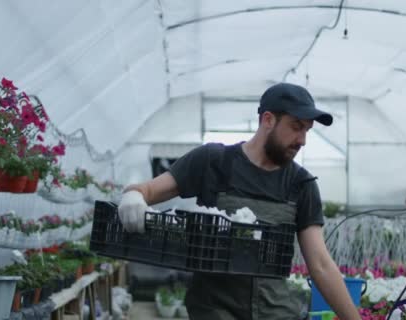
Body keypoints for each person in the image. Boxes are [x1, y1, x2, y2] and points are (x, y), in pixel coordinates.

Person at [118, 83, 361, 320]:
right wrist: (134, 196)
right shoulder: (214, 162)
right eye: (296, 127)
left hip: (275, 311)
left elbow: (320, 264)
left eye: (307, 130)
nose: (303, 140)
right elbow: (148, 190)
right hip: (214, 309)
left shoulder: (300, 184)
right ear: (268, 120)